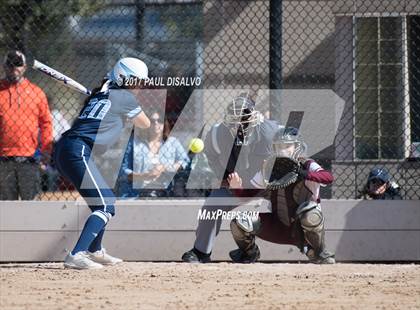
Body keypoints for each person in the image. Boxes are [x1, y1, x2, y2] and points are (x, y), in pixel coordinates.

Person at [54, 57, 151, 269]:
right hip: (77, 150)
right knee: (106, 204)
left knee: (103, 201)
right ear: (122, 77)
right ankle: (76, 254)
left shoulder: (101, 94)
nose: (139, 87)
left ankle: (95, 250)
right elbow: (145, 123)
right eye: (136, 82)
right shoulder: (122, 97)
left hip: (69, 149)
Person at [181, 93, 278, 263]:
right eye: (235, 120)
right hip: (236, 183)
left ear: (254, 117)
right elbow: (211, 156)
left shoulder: (269, 131)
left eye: (244, 119)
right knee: (212, 205)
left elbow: (296, 144)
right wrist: (225, 178)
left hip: (269, 185)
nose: (239, 125)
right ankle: (201, 251)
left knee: (297, 205)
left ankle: (315, 248)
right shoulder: (217, 133)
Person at [228, 127, 336, 264]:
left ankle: (318, 251)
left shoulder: (306, 164)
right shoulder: (269, 167)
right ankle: (249, 253)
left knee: (310, 213)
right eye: (278, 146)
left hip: (302, 229)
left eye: (287, 146)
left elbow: (328, 177)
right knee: (240, 222)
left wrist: (303, 174)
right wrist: (237, 188)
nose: (282, 150)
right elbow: (247, 196)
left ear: (297, 146)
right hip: (277, 225)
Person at [0, 50, 53, 200]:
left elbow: (46, 123)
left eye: (18, 64)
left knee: (30, 204)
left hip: (29, 157)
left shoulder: (37, 93)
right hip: (3, 158)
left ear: (24, 67)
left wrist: (46, 150)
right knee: (5, 206)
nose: (14, 68)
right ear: (4, 66)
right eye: (10, 65)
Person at [116, 110, 190, 198]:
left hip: (166, 192)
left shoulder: (172, 142)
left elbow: (185, 162)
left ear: (164, 123)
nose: (156, 123)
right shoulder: (134, 143)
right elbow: (122, 171)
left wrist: (165, 167)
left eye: (160, 120)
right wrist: (143, 176)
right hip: (137, 193)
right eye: (152, 120)